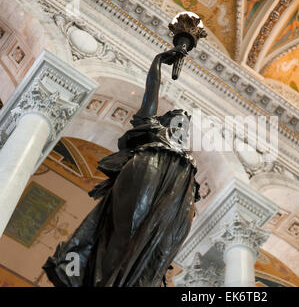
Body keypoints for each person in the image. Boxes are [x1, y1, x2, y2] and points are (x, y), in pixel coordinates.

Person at [43, 46, 200, 287]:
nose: (182, 124)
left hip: (179, 192)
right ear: (165, 121)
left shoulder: (188, 160)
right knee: (126, 233)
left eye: (185, 125)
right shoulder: (154, 130)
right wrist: (158, 62)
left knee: (162, 251)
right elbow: (151, 95)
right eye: (178, 118)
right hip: (149, 169)